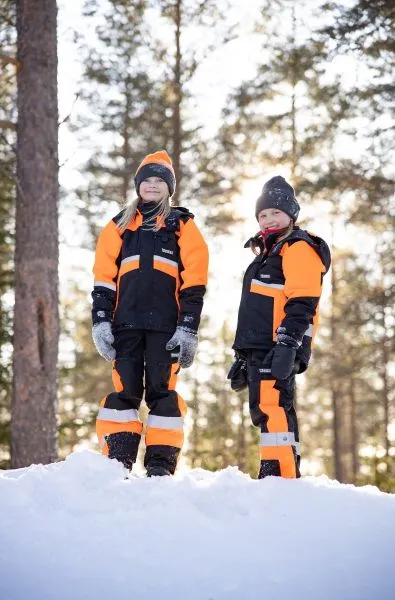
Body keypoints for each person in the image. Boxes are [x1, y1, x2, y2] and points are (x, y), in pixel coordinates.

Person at [91, 150, 209, 476]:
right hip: (124, 326)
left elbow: (195, 281)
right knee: (125, 392)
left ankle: (160, 467)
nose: (153, 185)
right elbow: (103, 279)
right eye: (147, 180)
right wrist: (101, 321)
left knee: (162, 393)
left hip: (166, 329)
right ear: (138, 186)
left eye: (160, 180)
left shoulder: (182, 225)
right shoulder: (119, 225)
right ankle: (116, 465)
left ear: (169, 187)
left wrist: (188, 328)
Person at [228, 176, 331, 479]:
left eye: (275, 212)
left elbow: (303, 301)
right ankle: (273, 473)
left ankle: (282, 477)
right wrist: (242, 354)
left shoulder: (298, 247)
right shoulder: (266, 254)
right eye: (262, 214)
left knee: (275, 407)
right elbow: (255, 309)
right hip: (260, 345)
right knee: (264, 410)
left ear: (291, 214)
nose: (268, 219)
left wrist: (288, 344)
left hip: (279, 344)